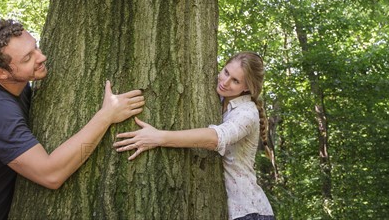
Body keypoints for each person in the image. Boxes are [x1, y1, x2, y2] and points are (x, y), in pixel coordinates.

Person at [0, 19, 145, 220]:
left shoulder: (18, 88)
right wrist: (106, 116)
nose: (42, 57)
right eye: (28, 58)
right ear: (0, 73)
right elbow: (51, 175)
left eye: (35, 47)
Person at [114, 52, 275, 220]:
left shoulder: (247, 113)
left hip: (250, 212)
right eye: (226, 72)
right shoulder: (219, 98)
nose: (225, 82)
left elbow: (216, 138)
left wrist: (158, 137)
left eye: (235, 81)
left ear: (247, 87)